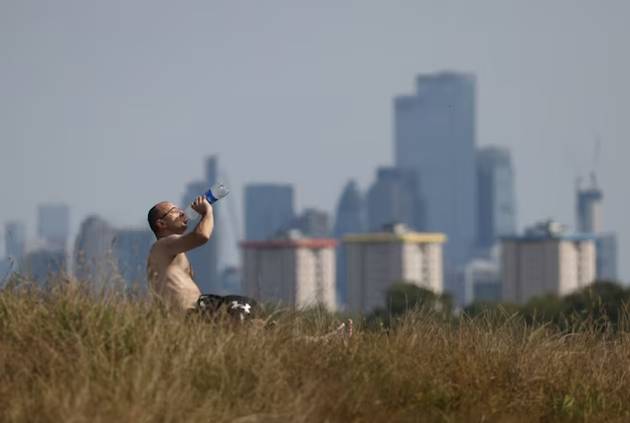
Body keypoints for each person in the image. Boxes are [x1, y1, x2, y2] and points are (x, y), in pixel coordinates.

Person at [146, 196, 352, 338]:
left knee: (260, 328)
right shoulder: (162, 245)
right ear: (161, 224)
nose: (182, 213)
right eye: (174, 211)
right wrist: (207, 211)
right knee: (251, 318)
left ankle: (317, 342)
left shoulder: (172, 252)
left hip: (202, 310)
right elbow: (202, 235)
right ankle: (318, 342)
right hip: (195, 313)